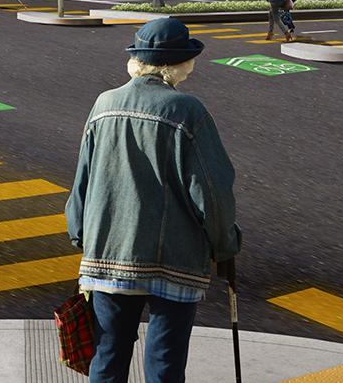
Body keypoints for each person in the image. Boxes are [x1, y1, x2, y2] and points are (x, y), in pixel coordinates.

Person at [66, 19, 240, 382]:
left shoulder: (104, 104)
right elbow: (212, 191)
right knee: (165, 364)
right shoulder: (187, 111)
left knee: (108, 356)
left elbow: (84, 177)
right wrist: (225, 244)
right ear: (181, 64)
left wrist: (81, 232)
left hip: (109, 253)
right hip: (174, 259)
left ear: (137, 61)